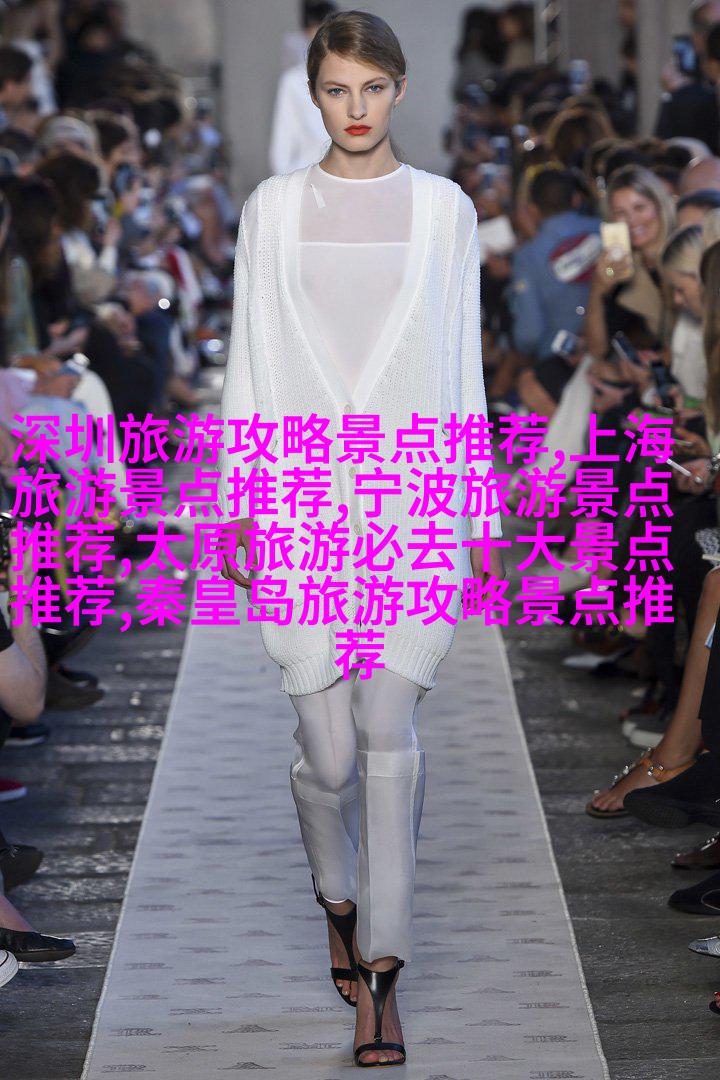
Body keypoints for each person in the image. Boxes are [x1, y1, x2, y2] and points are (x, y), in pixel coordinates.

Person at [218, 9, 505, 1068]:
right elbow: (249, 359)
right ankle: (333, 891)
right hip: (298, 502)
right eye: (337, 89)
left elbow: (461, 365)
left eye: (372, 88)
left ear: (399, 89)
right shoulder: (272, 210)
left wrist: (479, 510)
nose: (355, 108)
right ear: (315, 95)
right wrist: (239, 497)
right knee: (330, 757)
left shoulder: (443, 211)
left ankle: (383, 971)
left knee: (388, 739)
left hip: (414, 501)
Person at [267, 1, 337, 175]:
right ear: (307, 32)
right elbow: (281, 147)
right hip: (307, 177)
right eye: (317, 28)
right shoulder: (293, 81)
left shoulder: (350, 75)